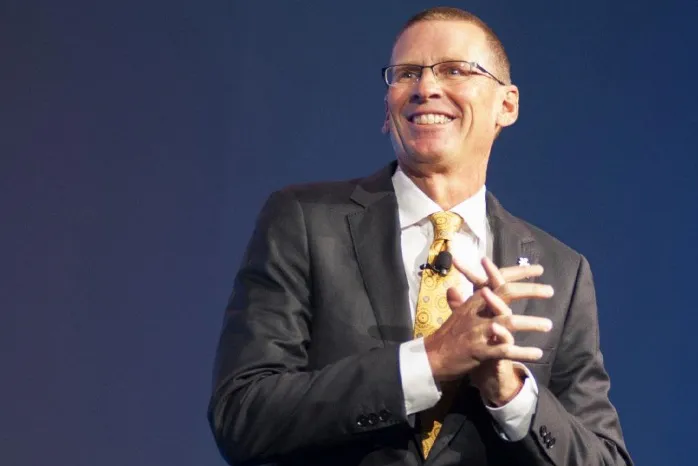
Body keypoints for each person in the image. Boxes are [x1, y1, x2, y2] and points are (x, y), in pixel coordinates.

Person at [208, 7, 633, 466]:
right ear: (388, 111)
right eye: (407, 73)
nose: (426, 87)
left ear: (506, 105)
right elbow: (242, 414)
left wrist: (511, 394)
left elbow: (604, 458)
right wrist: (427, 361)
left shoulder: (561, 272)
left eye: (455, 70)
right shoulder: (305, 221)